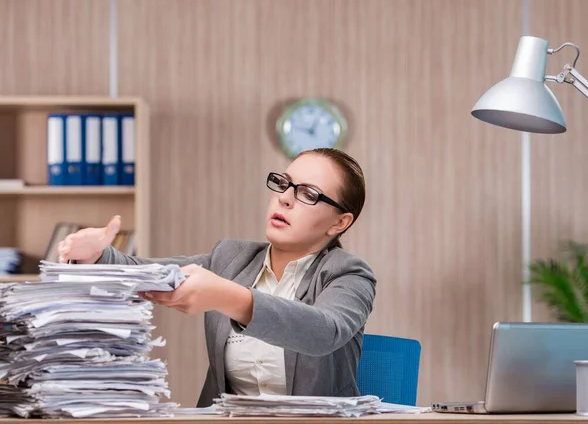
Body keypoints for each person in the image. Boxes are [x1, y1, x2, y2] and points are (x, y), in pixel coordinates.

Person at [57, 148, 377, 407]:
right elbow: (148, 271)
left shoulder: (349, 273)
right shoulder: (231, 258)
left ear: (339, 223)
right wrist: (96, 254)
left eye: (308, 193)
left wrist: (227, 296)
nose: (285, 198)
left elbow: (323, 332)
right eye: (284, 183)